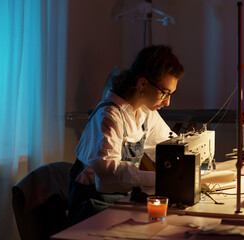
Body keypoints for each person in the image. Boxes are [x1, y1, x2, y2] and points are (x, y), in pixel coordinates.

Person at [68, 45, 184, 225]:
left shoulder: (146, 113)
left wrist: (190, 166)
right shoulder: (108, 115)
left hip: (121, 201)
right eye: (164, 93)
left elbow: (170, 146)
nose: (167, 102)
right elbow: (110, 174)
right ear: (143, 84)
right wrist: (162, 178)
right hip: (94, 207)